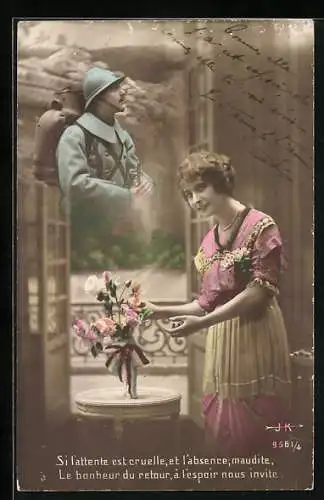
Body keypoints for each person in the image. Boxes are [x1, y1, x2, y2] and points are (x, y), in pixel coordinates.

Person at [142, 151, 292, 457]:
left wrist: (203, 323)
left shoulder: (260, 225)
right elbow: (206, 303)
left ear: (220, 183)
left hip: (256, 332)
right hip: (222, 338)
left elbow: (259, 292)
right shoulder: (209, 240)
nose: (195, 199)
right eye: (188, 194)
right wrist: (160, 310)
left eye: (200, 189)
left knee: (254, 429)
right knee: (223, 431)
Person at [56, 66, 153, 228]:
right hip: (82, 227)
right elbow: (74, 184)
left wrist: (144, 181)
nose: (123, 92)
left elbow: (133, 170)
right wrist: (126, 196)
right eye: (115, 89)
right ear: (98, 97)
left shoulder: (123, 137)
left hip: (117, 225)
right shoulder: (75, 135)